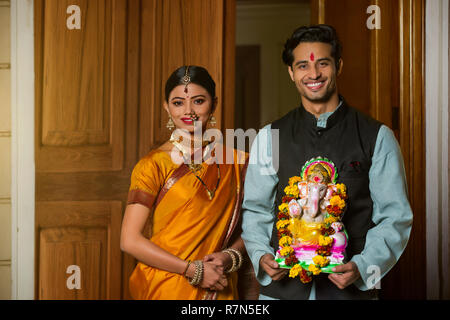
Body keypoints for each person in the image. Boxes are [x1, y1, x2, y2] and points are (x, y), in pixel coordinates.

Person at [241, 25, 413, 300]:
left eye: (323, 63)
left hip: (350, 293)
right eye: (302, 66)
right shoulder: (268, 136)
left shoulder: (376, 136)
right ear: (291, 73)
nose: (313, 74)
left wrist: (363, 265)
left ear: (338, 66)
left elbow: (395, 217)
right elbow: (256, 210)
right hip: (281, 292)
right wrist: (261, 254)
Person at [120, 65, 248, 300]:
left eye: (198, 101)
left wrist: (229, 256)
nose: (189, 111)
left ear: (214, 104)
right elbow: (129, 240)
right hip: (165, 284)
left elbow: (255, 228)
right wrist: (193, 270)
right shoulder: (153, 164)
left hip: (218, 283)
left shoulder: (238, 162)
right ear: (166, 107)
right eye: (178, 103)